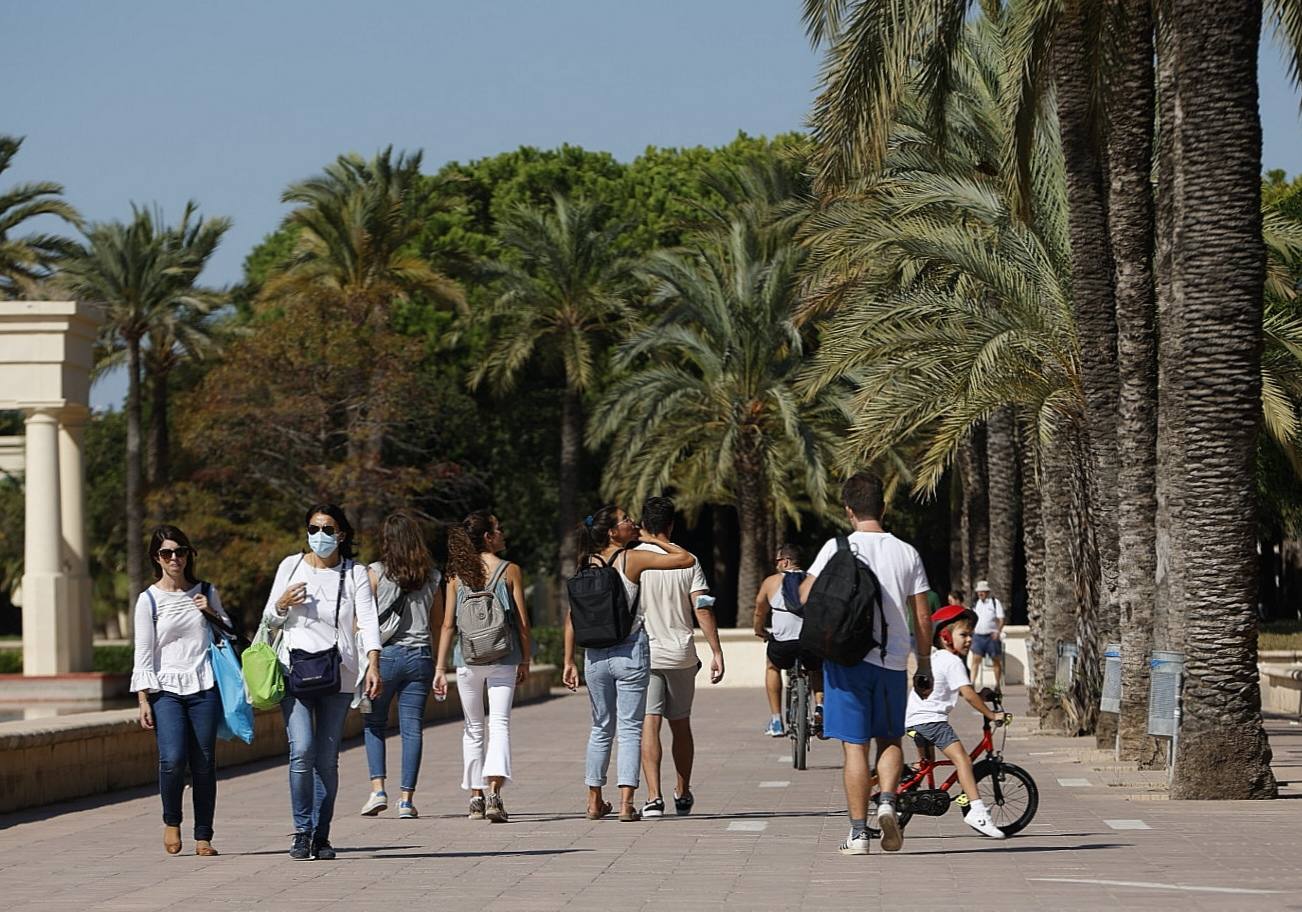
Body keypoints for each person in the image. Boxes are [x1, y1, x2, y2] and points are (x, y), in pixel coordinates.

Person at [798, 473, 933, 857]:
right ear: (883, 508)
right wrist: (923, 664)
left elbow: (806, 595)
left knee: (854, 748)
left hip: (846, 661)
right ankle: (887, 801)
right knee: (889, 738)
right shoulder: (906, 552)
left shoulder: (836, 547)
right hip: (891, 661)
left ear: (848, 511)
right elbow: (922, 617)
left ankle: (858, 834)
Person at [561, 504, 695, 822]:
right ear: (612, 532)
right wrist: (653, 538)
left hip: (594, 656)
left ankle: (594, 801)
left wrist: (568, 660)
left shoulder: (585, 563)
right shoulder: (631, 559)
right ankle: (625, 804)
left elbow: (572, 616)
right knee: (631, 729)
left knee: (600, 728)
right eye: (625, 520)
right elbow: (685, 559)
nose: (632, 522)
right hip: (629, 652)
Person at [264, 504, 382, 861]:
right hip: (294, 670)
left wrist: (373, 662)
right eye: (314, 528)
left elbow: (369, 619)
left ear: (341, 534)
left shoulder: (355, 572)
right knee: (301, 750)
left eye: (328, 529)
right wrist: (283, 603)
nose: (320, 536)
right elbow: (269, 619)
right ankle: (301, 831)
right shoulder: (291, 565)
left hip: (338, 673)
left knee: (327, 759)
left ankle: (321, 834)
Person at [131, 525, 233, 857]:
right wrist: (143, 699)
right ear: (156, 558)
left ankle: (204, 834)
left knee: (204, 763)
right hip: (165, 690)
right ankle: (171, 821)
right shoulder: (148, 600)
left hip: (203, 685)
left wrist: (211, 611)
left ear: (189, 555)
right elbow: (143, 654)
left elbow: (230, 635)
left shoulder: (205, 590)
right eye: (166, 553)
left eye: (180, 552)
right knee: (173, 759)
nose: (174, 558)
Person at [434, 511, 532, 824]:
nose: (503, 533)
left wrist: (440, 667)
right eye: (498, 529)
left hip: (468, 659)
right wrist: (526, 658)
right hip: (504, 657)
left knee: (472, 729)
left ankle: (475, 798)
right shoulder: (510, 570)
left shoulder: (455, 574)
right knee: (499, 724)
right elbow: (523, 623)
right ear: (488, 537)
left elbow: (448, 625)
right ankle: (494, 794)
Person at [635, 495, 724, 819]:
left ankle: (653, 797)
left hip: (645, 654)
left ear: (643, 524)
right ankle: (682, 791)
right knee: (681, 724)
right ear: (671, 525)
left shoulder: (634, 559)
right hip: (682, 654)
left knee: (650, 723)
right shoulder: (688, 560)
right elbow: (702, 607)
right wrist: (716, 650)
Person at [360, 510, 443, 820]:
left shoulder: (375, 573)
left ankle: (377, 790)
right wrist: (438, 665)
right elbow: (438, 625)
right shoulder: (432, 576)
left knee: (373, 723)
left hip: (383, 658)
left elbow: (362, 620)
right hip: (420, 657)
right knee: (412, 729)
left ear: (387, 540)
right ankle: (406, 800)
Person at [904, 604, 1011, 839]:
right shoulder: (953, 662)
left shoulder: (935, 658)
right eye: (963, 634)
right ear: (944, 636)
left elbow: (964, 692)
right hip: (932, 722)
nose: (969, 639)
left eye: (971, 634)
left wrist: (981, 695)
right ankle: (977, 811)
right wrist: (993, 715)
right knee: (963, 760)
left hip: (914, 720)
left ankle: (899, 802)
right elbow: (968, 695)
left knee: (924, 766)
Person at [753, 544, 823, 738]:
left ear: (785, 561)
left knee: (772, 667)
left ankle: (776, 721)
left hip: (783, 644)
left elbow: (760, 611)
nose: (776, 565)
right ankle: (820, 708)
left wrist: (760, 631)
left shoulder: (771, 582)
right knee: (817, 668)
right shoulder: (815, 581)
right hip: (810, 642)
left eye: (777, 561)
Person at [970, 580, 1006, 689]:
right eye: (979, 592)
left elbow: (1001, 619)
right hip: (978, 636)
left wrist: (997, 631)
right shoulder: (976, 604)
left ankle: (997, 684)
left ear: (987, 592)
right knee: (975, 659)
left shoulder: (994, 603)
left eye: (983, 592)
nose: (980, 594)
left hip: (991, 636)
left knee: (996, 660)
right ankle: (972, 683)